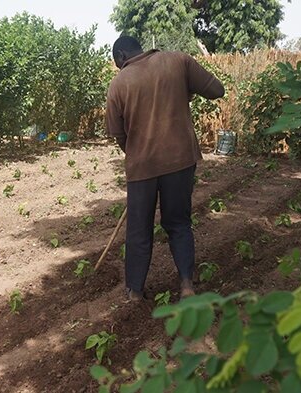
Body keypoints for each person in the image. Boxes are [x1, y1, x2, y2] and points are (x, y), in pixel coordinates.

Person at [105, 36, 225, 301]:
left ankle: (135, 291)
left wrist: (137, 154)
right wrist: (185, 90)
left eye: (117, 63)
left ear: (122, 55)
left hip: (141, 167)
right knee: (179, 223)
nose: (119, 68)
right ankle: (186, 285)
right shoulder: (178, 61)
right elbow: (217, 90)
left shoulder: (119, 83)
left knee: (138, 229)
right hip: (180, 161)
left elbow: (118, 134)